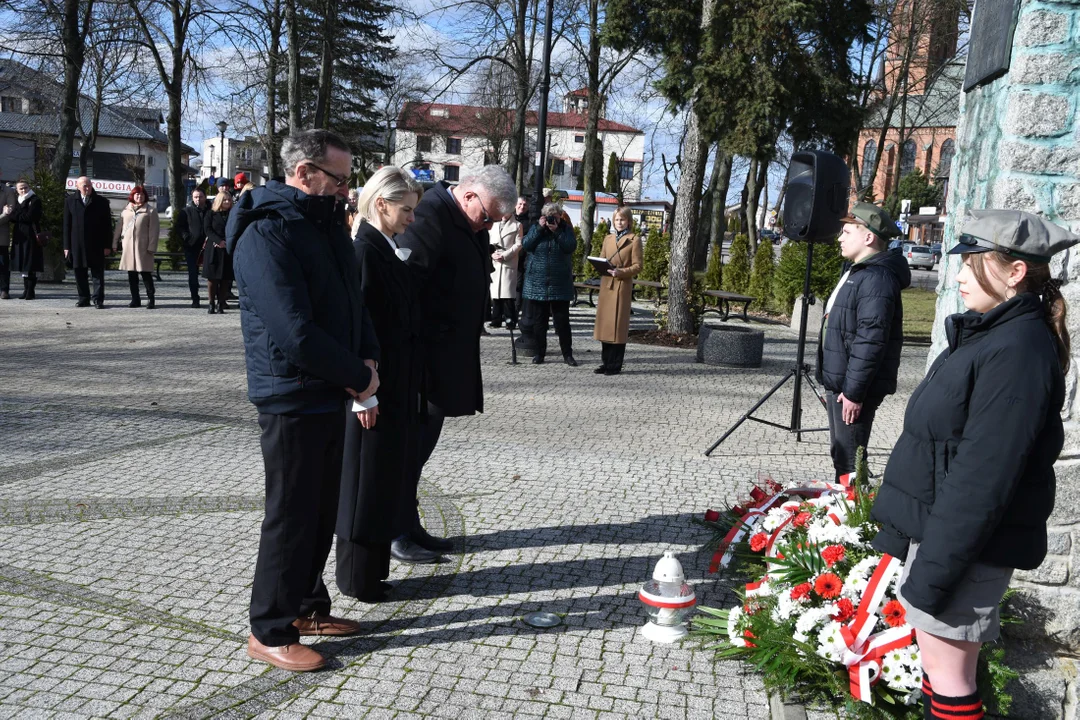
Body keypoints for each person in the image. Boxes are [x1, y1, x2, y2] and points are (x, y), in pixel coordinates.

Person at [870, 210, 1079, 720]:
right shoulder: (991, 335)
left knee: (950, 680)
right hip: (943, 535)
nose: (959, 275)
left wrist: (936, 572)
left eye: (973, 262)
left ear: (1015, 273)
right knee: (939, 671)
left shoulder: (1017, 350)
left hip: (965, 547)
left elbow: (984, 478)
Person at [227, 128, 380, 672]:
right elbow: (293, 331)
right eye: (339, 179)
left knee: (320, 511)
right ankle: (268, 627)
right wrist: (356, 378)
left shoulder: (328, 226)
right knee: (291, 514)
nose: (347, 189)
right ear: (303, 173)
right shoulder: (266, 233)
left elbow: (353, 305)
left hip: (329, 387)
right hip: (289, 393)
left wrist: (369, 360)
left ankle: (308, 609)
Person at [394, 165, 517, 563]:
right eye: (487, 218)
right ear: (469, 196)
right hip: (422, 363)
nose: (487, 228)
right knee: (408, 449)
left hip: (445, 358)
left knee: (420, 449)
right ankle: (395, 531)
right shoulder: (429, 216)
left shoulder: (461, 219)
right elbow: (405, 291)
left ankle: (409, 524)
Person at [336, 166, 425, 602]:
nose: (412, 218)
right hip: (373, 388)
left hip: (391, 384)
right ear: (381, 204)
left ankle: (371, 574)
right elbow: (358, 328)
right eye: (406, 210)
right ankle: (358, 579)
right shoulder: (366, 250)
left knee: (381, 479)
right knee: (364, 484)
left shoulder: (384, 246)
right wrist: (363, 393)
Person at [816, 201, 909, 479]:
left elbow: (871, 339)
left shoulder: (877, 279)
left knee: (849, 461)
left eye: (847, 232)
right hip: (842, 383)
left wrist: (854, 392)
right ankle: (845, 512)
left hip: (854, 389)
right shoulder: (857, 271)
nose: (840, 237)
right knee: (843, 455)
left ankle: (853, 518)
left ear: (868, 237)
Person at [522, 201, 578, 366]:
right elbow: (526, 245)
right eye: (548, 216)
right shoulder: (536, 228)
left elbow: (570, 247)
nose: (551, 220)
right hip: (538, 283)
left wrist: (557, 232)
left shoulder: (566, 230)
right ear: (542, 217)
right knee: (540, 322)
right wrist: (539, 229)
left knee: (562, 323)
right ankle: (540, 354)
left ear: (560, 217)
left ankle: (567, 354)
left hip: (559, 283)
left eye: (554, 216)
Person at [592, 206, 643, 375]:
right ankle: (606, 362)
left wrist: (621, 272)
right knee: (605, 326)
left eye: (622, 220)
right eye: (616, 220)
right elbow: (602, 257)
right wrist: (599, 265)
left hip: (621, 286)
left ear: (628, 221)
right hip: (607, 285)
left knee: (618, 327)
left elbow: (638, 266)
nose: (619, 223)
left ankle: (615, 365)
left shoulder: (634, 239)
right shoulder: (608, 238)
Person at [64, 177, 114, 309]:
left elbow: (107, 226)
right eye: (85, 186)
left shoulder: (102, 202)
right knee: (79, 272)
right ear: (78, 187)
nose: (87, 188)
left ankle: (98, 299)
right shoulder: (70, 201)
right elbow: (66, 225)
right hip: (77, 244)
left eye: (89, 186)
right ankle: (83, 298)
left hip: (96, 243)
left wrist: (107, 245)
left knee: (97, 273)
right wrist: (66, 246)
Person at [112, 186, 159, 309]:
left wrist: (152, 247)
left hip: (143, 248)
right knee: (132, 275)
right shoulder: (126, 211)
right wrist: (115, 242)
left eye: (142, 194)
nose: (139, 196)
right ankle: (135, 299)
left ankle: (151, 299)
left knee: (146, 274)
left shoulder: (151, 211)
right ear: (132, 196)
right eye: (137, 194)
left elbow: (154, 231)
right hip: (128, 247)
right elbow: (119, 228)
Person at [488, 202, 523, 329]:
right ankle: (496, 319)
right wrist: (492, 254)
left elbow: (518, 244)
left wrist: (506, 255)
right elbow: (489, 241)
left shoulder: (517, 225)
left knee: (508, 294)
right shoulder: (494, 224)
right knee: (496, 293)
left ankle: (510, 320)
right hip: (496, 261)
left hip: (508, 261)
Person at [177, 188, 211, 308]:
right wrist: (187, 238)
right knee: (193, 274)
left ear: (205, 197)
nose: (198, 199)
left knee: (212, 273)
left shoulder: (211, 211)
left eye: (200, 197)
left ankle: (215, 299)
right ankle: (195, 298)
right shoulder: (186, 211)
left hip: (209, 246)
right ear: (192, 198)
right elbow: (180, 227)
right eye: (196, 197)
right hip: (192, 247)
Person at [10, 178, 43, 300]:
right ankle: (25, 290)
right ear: (17, 190)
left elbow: (30, 217)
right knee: (23, 263)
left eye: (25, 187)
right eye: (21, 188)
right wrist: (16, 215)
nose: (24, 190)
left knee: (31, 263)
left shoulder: (35, 200)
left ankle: (31, 291)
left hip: (31, 236)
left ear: (29, 188)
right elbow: (12, 218)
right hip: (19, 235)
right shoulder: (17, 200)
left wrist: (16, 215)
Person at [202, 191, 233, 314]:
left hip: (227, 248)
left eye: (229, 200)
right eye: (225, 200)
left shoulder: (232, 214)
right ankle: (211, 303)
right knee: (212, 278)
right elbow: (207, 229)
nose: (228, 202)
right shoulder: (211, 214)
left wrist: (227, 241)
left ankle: (221, 303)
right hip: (214, 248)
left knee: (225, 278)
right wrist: (218, 241)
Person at [0, 181, 19, 299]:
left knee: (3, 263)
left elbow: (9, 213)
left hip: (1, 234)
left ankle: (4, 289)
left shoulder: (8, 191)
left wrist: (2, 215)